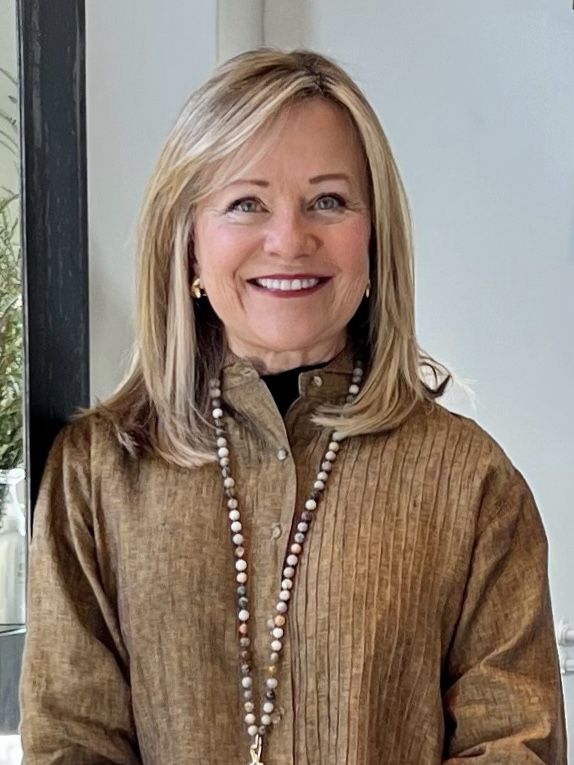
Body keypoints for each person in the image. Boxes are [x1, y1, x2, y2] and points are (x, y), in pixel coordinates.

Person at [19, 48, 566, 764]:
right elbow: (70, 743)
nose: (289, 239)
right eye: (246, 203)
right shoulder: (95, 476)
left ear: (375, 240)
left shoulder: (472, 481)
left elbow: (515, 745)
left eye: (329, 201)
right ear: (187, 246)